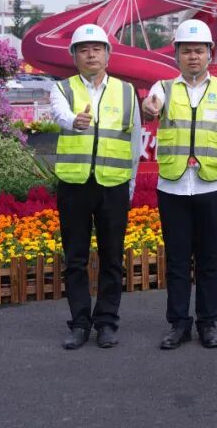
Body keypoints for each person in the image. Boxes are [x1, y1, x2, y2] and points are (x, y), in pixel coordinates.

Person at [141, 19, 217, 350]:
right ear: (177, 54)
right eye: (186, 51)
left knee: (209, 260)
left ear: (209, 53)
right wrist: (148, 108)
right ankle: (178, 324)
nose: (193, 57)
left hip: (212, 186)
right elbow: (150, 107)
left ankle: (208, 323)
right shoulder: (163, 88)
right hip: (173, 187)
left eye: (199, 50)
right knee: (176, 260)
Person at [49, 23, 141, 350]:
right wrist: (75, 121)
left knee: (112, 258)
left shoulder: (126, 91)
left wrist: (130, 186)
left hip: (113, 185)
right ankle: (79, 323)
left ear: (108, 55)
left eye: (97, 49)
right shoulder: (63, 89)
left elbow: (134, 142)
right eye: (84, 50)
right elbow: (60, 114)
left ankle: (106, 322)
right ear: (74, 56)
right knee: (75, 258)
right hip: (74, 185)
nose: (91, 55)